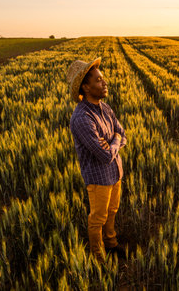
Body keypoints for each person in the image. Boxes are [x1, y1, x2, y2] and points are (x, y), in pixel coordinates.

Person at [67, 57, 127, 263]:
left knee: (112, 211)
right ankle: (98, 257)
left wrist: (114, 141)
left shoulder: (105, 108)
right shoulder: (82, 118)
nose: (105, 83)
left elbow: (121, 133)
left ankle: (110, 244)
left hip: (115, 173)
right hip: (99, 178)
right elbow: (104, 155)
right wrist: (116, 142)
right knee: (98, 218)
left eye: (103, 79)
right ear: (86, 86)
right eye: (99, 80)